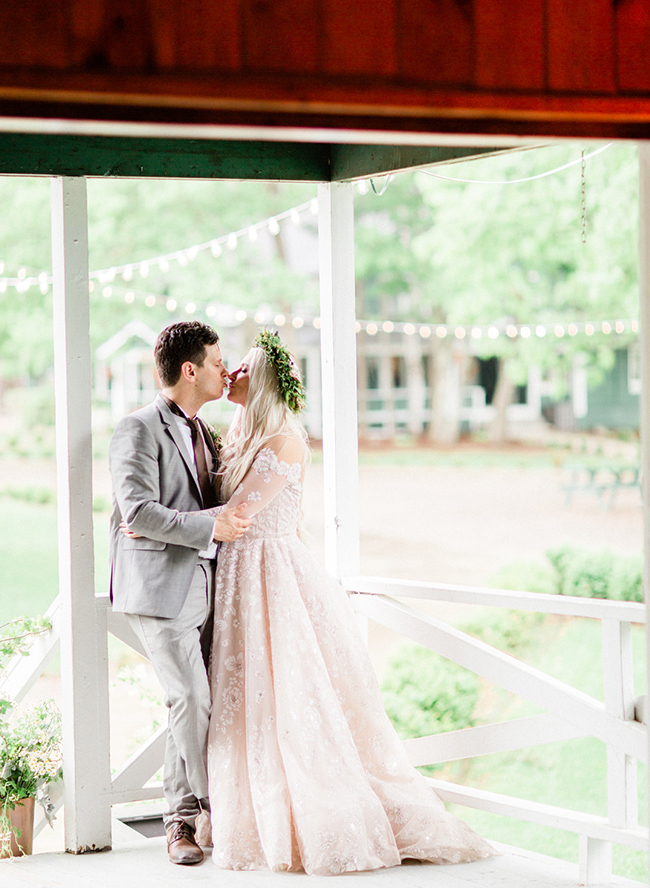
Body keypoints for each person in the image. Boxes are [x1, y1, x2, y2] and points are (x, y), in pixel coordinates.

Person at [201, 330, 497, 875]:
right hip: (239, 576)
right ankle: (253, 810)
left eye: (241, 368)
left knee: (287, 694)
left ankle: (321, 817)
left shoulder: (284, 442)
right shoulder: (236, 430)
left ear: (261, 380)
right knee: (248, 700)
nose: (232, 375)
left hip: (272, 575)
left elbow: (237, 513)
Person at [109, 320, 253, 866]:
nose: (225, 370)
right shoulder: (138, 428)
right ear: (189, 370)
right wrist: (210, 525)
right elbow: (138, 511)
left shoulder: (205, 431)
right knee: (192, 698)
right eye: (218, 363)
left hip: (210, 586)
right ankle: (215, 806)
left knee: (183, 705)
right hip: (158, 587)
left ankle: (178, 826)